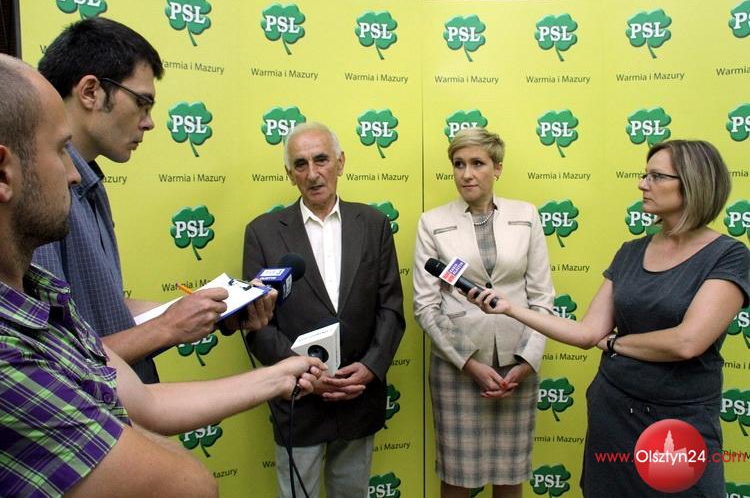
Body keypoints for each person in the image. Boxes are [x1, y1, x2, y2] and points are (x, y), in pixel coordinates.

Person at [0, 54, 325, 497]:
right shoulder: (10, 349)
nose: (74, 174)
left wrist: (278, 373)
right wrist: (170, 326)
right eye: (60, 151)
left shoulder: (46, 296)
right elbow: (186, 483)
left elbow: (146, 403)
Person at [470, 139, 750, 496]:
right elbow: (587, 333)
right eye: (644, 175)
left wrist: (616, 343)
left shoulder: (728, 255)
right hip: (613, 410)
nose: (642, 184)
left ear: (693, 183)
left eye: (656, 176)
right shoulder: (631, 252)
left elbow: (687, 342)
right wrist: (510, 308)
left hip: (679, 421)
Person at [31, 17, 275, 384]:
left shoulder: (92, 185)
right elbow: (52, 358)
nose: (149, 123)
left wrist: (208, 309)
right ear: (90, 91)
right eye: (142, 103)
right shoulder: (39, 194)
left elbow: (103, 312)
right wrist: (167, 328)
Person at [242, 122, 406, 498]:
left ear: (340, 162)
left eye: (321, 160)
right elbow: (257, 326)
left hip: (358, 395)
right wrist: (301, 374)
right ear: (289, 174)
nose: (313, 173)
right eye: (300, 164)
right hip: (298, 401)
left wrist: (370, 368)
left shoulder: (374, 224)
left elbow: (391, 308)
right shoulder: (262, 233)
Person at [413, 127, 554, 498]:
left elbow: (542, 297)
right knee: (456, 476)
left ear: (498, 168)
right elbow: (426, 305)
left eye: (477, 163)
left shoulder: (526, 216)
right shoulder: (432, 222)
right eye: (459, 164)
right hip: (458, 366)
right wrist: (470, 364)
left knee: (510, 476)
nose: (467, 174)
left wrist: (528, 361)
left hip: (516, 366)